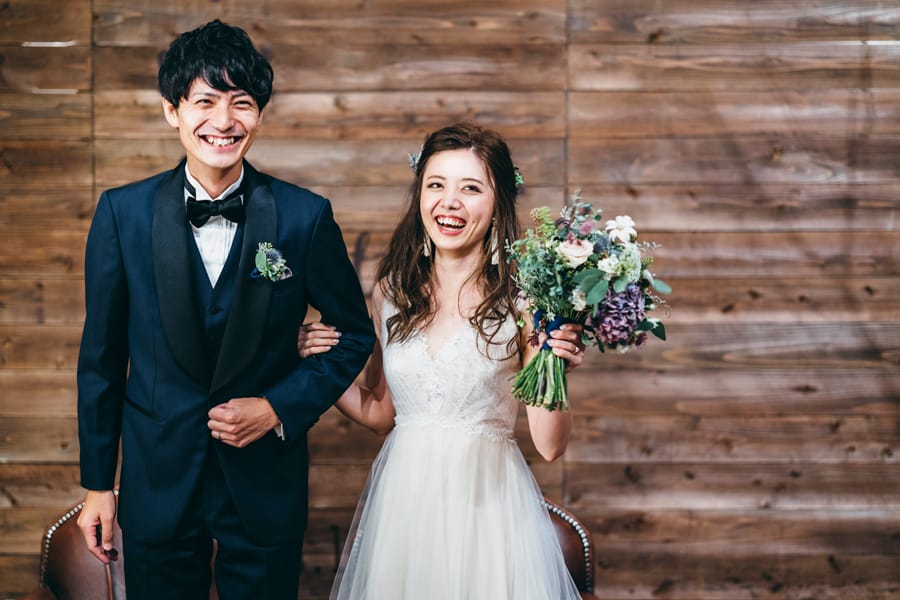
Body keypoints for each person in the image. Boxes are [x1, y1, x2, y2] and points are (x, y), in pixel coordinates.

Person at [75, 20, 375, 600]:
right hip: (157, 477)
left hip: (264, 481)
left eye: (241, 103)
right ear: (173, 111)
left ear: (258, 116)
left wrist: (276, 406)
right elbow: (101, 361)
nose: (224, 121)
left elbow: (354, 335)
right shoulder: (122, 213)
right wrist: (97, 485)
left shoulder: (303, 217)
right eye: (205, 101)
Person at [298, 122, 585, 599]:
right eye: (436, 185)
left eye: (470, 188)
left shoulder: (524, 300)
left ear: (496, 206)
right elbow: (381, 412)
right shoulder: (391, 292)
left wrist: (550, 364)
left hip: (487, 511)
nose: (449, 202)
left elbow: (550, 446)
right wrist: (318, 365)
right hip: (404, 511)